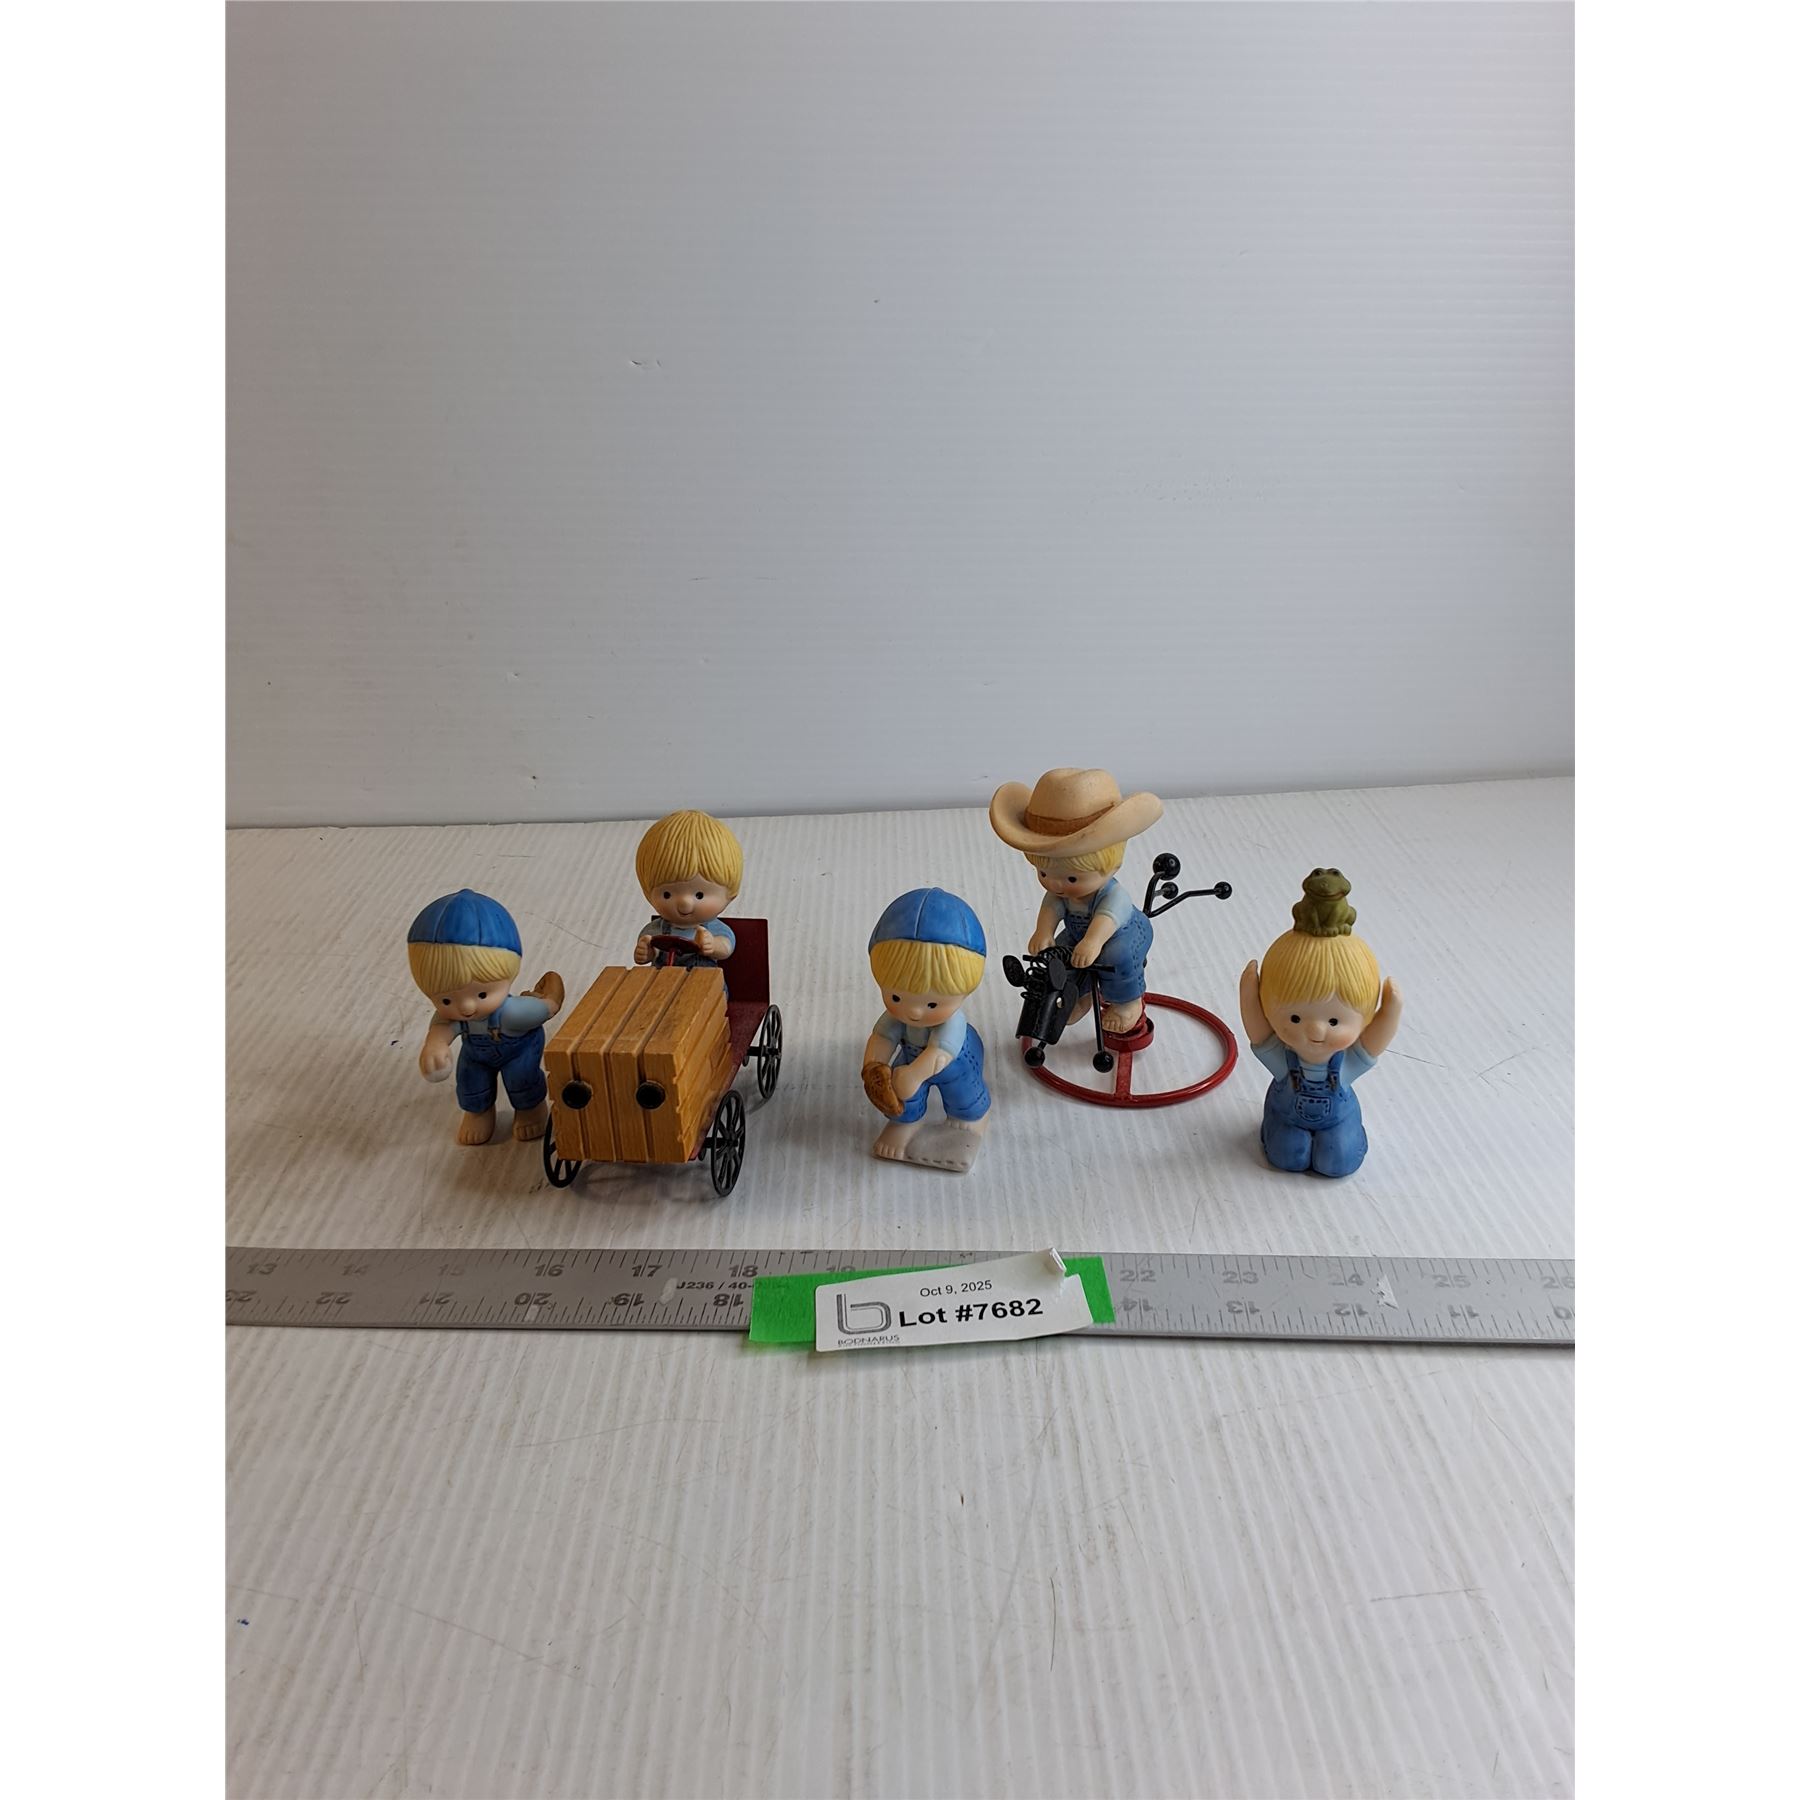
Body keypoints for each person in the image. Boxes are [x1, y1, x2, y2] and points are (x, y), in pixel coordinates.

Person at [1238, 869, 1403, 1177]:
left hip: (1337, 1119)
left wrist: (1391, 1010)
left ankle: (1344, 1140)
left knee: (1337, 1161)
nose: (1315, 1030)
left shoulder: (1345, 1064)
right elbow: (1260, 1036)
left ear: (1364, 1017)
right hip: (1287, 1116)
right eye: (1295, 1018)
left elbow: (1372, 1046)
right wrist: (1249, 994)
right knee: (1287, 1155)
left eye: (1335, 1021)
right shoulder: (1284, 1060)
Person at [989, 767, 1164, 1035]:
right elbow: (1051, 907)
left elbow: (1108, 918)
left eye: (1071, 878)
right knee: (1059, 958)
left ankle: (1127, 1003)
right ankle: (1079, 997)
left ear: (1112, 865)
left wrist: (1093, 941)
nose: (1056, 885)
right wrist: (1043, 932)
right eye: (1043, 873)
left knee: (1115, 957)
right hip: (1079, 935)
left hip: (1125, 933)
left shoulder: (1113, 895)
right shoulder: (1060, 894)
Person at [407, 889, 564, 1144]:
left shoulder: (513, 1013)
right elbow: (443, 1027)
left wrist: (547, 1000)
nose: (466, 1007)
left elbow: (546, 1008)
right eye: (446, 1000)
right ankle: (478, 1112)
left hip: (519, 1049)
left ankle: (530, 1109)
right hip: (475, 1054)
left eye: (482, 994)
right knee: (470, 1079)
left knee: (521, 1078)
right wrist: (435, 1044)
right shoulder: (454, 1018)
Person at [861, 888, 991, 1173]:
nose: (914, 1012)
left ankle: (970, 1120)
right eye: (896, 997)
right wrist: (874, 1064)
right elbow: (882, 1037)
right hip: (911, 1057)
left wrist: (915, 1074)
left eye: (932, 1003)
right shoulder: (897, 1018)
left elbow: (940, 1053)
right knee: (902, 1091)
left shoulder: (952, 1023)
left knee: (964, 1094)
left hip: (955, 1060)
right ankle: (905, 1123)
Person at [633, 810, 743, 968]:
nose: (684, 904)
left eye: (699, 895)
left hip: (702, 979)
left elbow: (726, 947)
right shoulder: (656, 928)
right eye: (667, 894)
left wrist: (713, 945)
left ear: (730, 894)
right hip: (663, 979)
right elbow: (651, 948)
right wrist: (646, 952)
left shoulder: (712, 928)